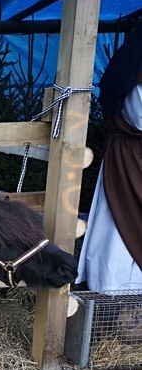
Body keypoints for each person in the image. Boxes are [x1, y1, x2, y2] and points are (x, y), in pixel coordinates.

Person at [76, 27, 142, 292]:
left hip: (128, 154)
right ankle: (115, 295)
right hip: (131, 160)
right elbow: (139, 117)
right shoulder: (135, 67)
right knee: (120, 226)